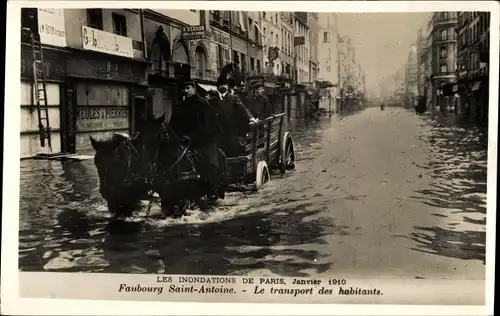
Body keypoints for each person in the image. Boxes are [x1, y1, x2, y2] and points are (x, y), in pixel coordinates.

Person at [170, 79, 221, 202]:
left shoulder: (203, 104)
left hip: (204, 140)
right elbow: (173, 125)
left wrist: (192, 136)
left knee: (209, 163)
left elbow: (207, 125)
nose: (186, 91)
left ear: (194, 88)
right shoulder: (179, 106)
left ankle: (212, 191)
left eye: (188, 88)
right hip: (183, 142)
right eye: (184, 89)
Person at [209, 76, 257, 157]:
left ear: (227, 86)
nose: (223, 86)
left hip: (231, 134)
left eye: (225, 84)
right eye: (221, 84)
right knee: (219, 158)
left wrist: (251, 118)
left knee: (232, 156)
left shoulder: (233, 98)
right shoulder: (212, 101)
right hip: (217, 135)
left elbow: (243, 108)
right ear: (217, 87)